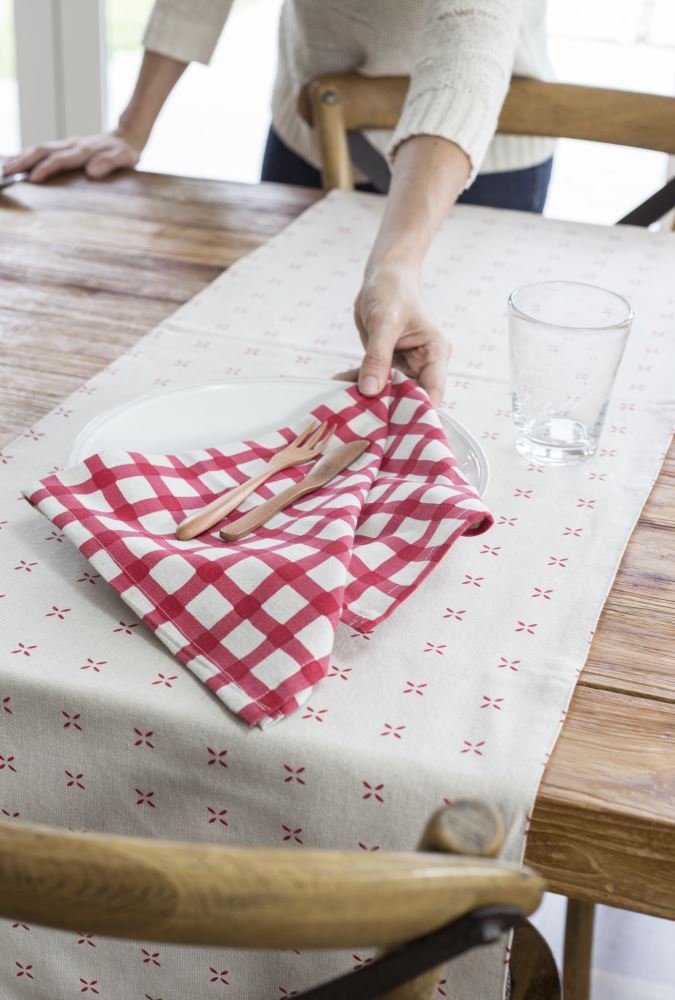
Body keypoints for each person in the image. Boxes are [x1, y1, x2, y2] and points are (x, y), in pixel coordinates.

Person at [3, 0, 553, 407]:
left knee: (454, 373)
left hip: (471, 154)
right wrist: (131, 129)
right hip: (312, 124)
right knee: (273, 356)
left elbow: (468, 53)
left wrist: (397, 261)